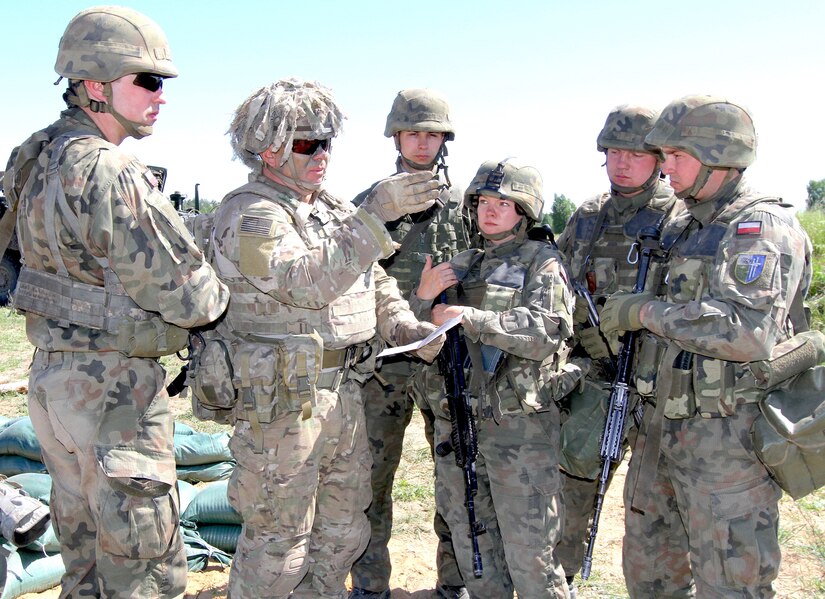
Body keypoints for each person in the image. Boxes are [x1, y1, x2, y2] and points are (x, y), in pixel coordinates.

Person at [2, 6, 229, 597]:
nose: (161, 96)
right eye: (147, 81)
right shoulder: (110, 171)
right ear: (96, 86)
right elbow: (193, 298)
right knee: (142, 568)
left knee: (84, 561)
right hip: (115, 390)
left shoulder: (35, 156)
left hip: (53, 383)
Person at [210, 77, 445, 599]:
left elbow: (375, 279)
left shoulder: (332, 208)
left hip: (342, 394)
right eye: (305, 144)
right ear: (268, 149)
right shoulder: (251, 213)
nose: (321, 154)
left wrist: (405, 325)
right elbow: (305, 284)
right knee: (279, 544)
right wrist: (377, 213)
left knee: (342, 533)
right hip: (282, 405)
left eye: (326, 142)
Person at [599, 95, 813, 597]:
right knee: (650, 576)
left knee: (730, 583)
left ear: (716, 155)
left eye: (676, 155)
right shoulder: (682, 225)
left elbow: (747, 330)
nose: (664, 167)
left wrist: (645, 312)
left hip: (726, 443)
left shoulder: (758, 228)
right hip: (658, 432)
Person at [411, 158, 584, 598]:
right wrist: (422, 298)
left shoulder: (542, 263)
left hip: (517, 431)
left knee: (531, 555)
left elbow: (546, 331)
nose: (490, 211)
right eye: (484, 201)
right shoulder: (461, 265)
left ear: (524, 211)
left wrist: (475, 318)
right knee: (475, 548)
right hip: (459, 425)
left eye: (503, 203)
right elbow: (414, 337)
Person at [349, 88, 472, 599]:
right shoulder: (370, 205)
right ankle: (370, 587)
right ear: (396, 137)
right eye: (413, 133)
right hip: (385, 363)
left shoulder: (467, 205)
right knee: (370, 485)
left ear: (444, 140)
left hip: (447, 363)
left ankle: (454, 585)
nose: (423, 143)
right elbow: (351, 281)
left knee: (456, 482)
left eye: (432, 134)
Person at [553, 105, 681, 594]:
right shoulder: (587, 216)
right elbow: (560, 285)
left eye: (636, 153)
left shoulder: (679, 218)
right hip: (596, 371)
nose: (623, 163)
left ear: (659, 158)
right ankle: (560, 574)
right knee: (577, 474)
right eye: (613, 152)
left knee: (652, 500)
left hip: (658, 382)